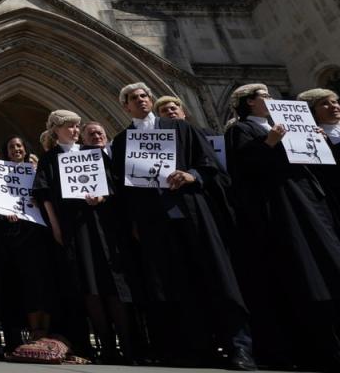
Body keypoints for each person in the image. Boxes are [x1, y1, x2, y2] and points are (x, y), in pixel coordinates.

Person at [110, 82, 256, 370]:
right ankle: (197, 347)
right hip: (154, 220)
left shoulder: (181, 129)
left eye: (144, 96)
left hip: (192, 212)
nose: (140, 100)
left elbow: (210, 166)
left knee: (217, 277)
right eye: (132, 98)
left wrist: (191, 176)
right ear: (124, 106)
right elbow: (122, 188)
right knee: (176, 285)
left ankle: (239, 346)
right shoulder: (122, 141)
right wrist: (134, 223)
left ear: (150, 100)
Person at [225, 84, 340, 370]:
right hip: (280, 206)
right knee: (303, 270)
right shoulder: (241, 130)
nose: (271, 100)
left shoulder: (283, 124)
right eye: (264, 96)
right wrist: (269, 143)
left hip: (309, 201)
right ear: (249, 102)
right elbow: (244, 169)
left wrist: (316, 141)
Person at [34, 110, 134, 364]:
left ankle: (130, 346)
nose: (75, 131)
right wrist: (56, 227)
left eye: (77, 127)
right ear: (56, 130)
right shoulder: (50, 159)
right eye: (69, 126)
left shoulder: (93, 154)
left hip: (101, 226)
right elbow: (44, 196)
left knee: (113, 285)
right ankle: (107, 347)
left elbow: (113, 185)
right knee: (89, 286)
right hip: (73, 228)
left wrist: (101, 197)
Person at [0, 135, 55, 353]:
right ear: (6, 151)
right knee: (20, 286)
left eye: (19, 145)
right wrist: (5, 213)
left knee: (41, 284)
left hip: (36, 235)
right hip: (12, 238)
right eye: (11, 146)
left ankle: (42, 331)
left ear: (25, 149)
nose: (16, 149)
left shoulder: (36, 170)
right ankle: (23, 334)